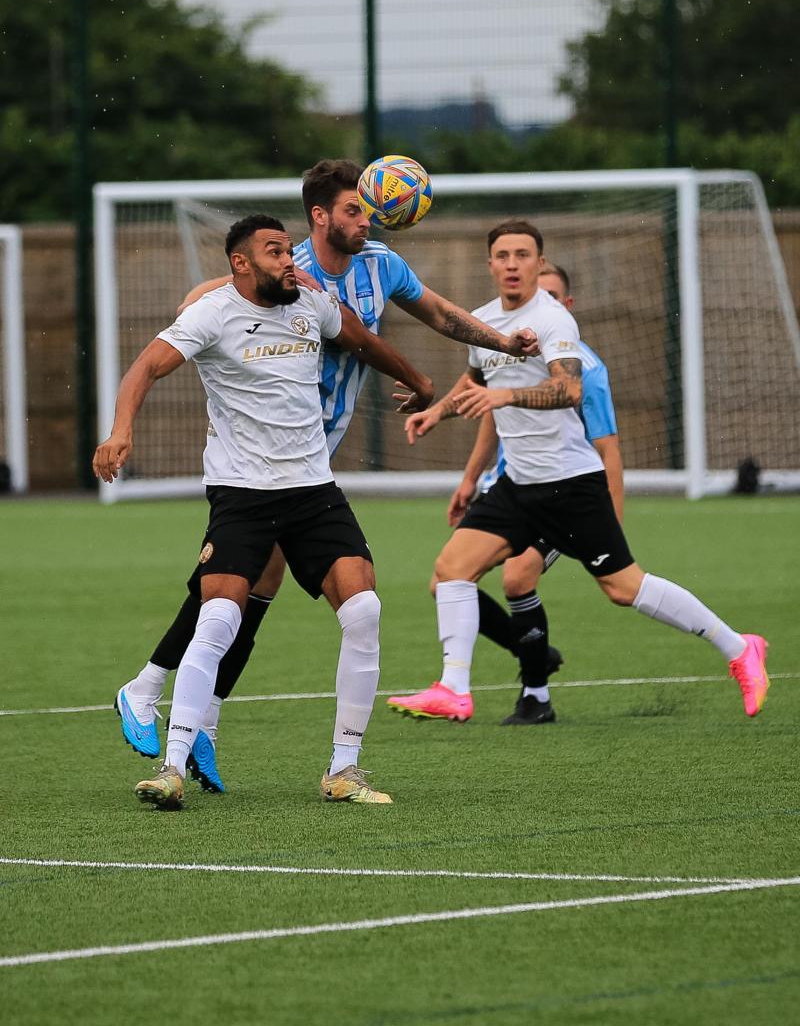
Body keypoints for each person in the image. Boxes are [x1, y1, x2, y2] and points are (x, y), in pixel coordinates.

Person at [115, 159, 539, 792]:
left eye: (370, 210)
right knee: (235, 595)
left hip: (312, 457)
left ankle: (194, 713)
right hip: (254, 458)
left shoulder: (380, 265)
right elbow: (213, 300)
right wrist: (201, 311)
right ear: (320, 216)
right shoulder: (290, 275)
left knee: (255, 593)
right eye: (354, 210)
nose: (366, 220)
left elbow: (439, 315)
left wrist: (501, 346)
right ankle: (167, 701)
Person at [95, 213, 442, 809]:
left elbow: (360, 339)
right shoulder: (212, 312)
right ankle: (172, 766)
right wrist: (121, 429)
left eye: (289, 250)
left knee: (364, 610)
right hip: (241, 495)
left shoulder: (312, 302)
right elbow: (145, 366)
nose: (290, 261)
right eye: (276, 252)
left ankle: (344, 769)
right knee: (218, 619)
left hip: (313, 492)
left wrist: (420, 380)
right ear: (241, 262)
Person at [386, 218, 769, 729]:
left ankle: (740, 647)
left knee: (623, 588)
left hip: (569, 485)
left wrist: (502, 397)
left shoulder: (553, 321)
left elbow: (567, 391)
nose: (513, 264)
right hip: (518, 485)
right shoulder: (482, 321)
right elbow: (478, 375)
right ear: (491, 264)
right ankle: (454, 688)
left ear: (539, 264)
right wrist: (439, 411)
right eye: (503, 255)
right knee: (451, 570)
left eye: (524, 255)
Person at [397, 260, 622, 725]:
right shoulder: (512, 349)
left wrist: (610, 522)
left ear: (566, 307)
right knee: (446, 582)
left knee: (519, 579)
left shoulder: (586, 371)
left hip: (565, 492)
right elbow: (491, 417)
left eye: (556, 299)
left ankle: (535, 694)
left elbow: (608, 449)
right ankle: (532, 652)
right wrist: (469, 479)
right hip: (512, 489)